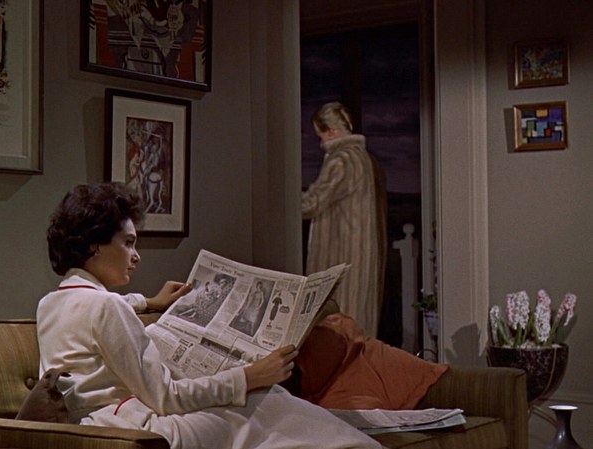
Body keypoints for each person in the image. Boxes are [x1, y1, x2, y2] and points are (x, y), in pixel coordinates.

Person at [37, 182, 381, 449]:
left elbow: (108, 307)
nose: (136, 256)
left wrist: (150, 302)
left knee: (264, 408)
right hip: (137, 432)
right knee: (262, 402)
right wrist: (248, 376)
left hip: (94, 428)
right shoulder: (105, 308)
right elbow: (167, 398)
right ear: (95, 245)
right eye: (128, 243)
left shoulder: (52, 304)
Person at [302, 102, 386, 338]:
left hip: (341, 253)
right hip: (358, 253)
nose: (320, 142)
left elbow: (313, 203)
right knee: (356, 320)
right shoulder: (364, 158)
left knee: (338, 323)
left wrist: (281, 198)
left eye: (321, 134)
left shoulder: (342, 160)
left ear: (331, 131)